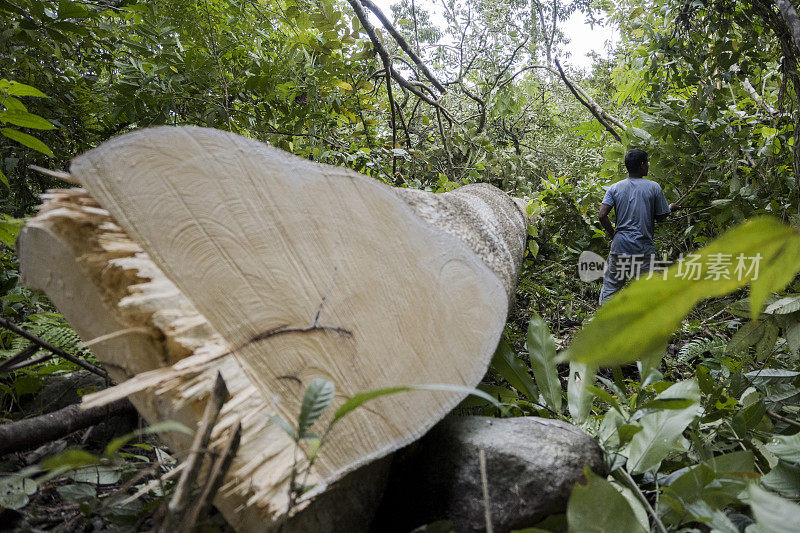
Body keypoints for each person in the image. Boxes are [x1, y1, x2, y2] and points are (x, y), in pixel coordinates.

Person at [598, 148, 677, 303]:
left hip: (620, 246)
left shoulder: (614, 188)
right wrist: (670, 209)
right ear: (642, 165)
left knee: (611, 288)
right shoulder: (653, 187)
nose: (648, 165)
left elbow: (602, 215)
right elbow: (661, 217)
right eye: (647, 162)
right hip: (643, 248)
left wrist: (614, 235)